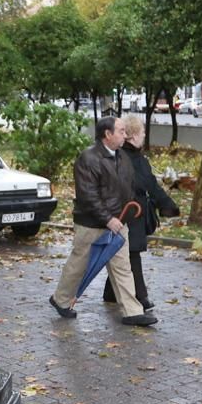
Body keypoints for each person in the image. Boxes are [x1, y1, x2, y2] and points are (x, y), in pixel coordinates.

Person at [49, 116, 154, 327]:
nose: (126, 135)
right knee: (79, 265)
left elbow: (128, 188)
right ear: (108, 134)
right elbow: (88, 195)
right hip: (91, 225)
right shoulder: (88, 159)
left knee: (123, 267)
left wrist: (123, 217)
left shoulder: (122, 157)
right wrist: (108, 219)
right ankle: (60, 299)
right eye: (121, 131)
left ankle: (132, 312)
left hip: (119, 223)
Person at [101, 116, 181, 315]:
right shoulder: (127, 159)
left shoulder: (131, 157)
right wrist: (167, 204)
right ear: (134, 135)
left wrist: (167, 205)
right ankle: (140, 296)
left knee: (123, 253)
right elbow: (147, 184)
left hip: (130, 212)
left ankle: (111, 292)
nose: (145, 135)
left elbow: (150, 184)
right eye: (143, 132)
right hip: (128, 212)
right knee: (131, 253)